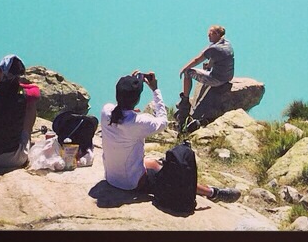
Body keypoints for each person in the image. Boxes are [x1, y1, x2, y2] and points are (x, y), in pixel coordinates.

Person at [99, 71, 239, 203]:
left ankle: (208, 190)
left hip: (111, 177)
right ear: (136, 99)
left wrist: (130, 82)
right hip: (131, 183)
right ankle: (212, 192)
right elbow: (163, 121)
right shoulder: (138, 122)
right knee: (175, 178)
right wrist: (155, 90)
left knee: (153, 163)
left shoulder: (106, 110)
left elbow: (121, 110)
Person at [0, 54, 40, 169]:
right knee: (31, 106)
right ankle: (26, 140)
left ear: (0, 71)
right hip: (11, 159)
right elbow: (35, 91)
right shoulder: (24, 94)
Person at [176, 25, 235, 127]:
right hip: (228, 76)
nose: (208, 37)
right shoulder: (227, 44)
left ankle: (185, 100)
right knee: (203, 70)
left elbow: (197, 60)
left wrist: (184, 68)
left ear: (216, 34)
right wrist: (209, 65)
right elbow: (216, 56)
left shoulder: (213, 48)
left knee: (188, 72)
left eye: (210, 35)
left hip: (217, 79)